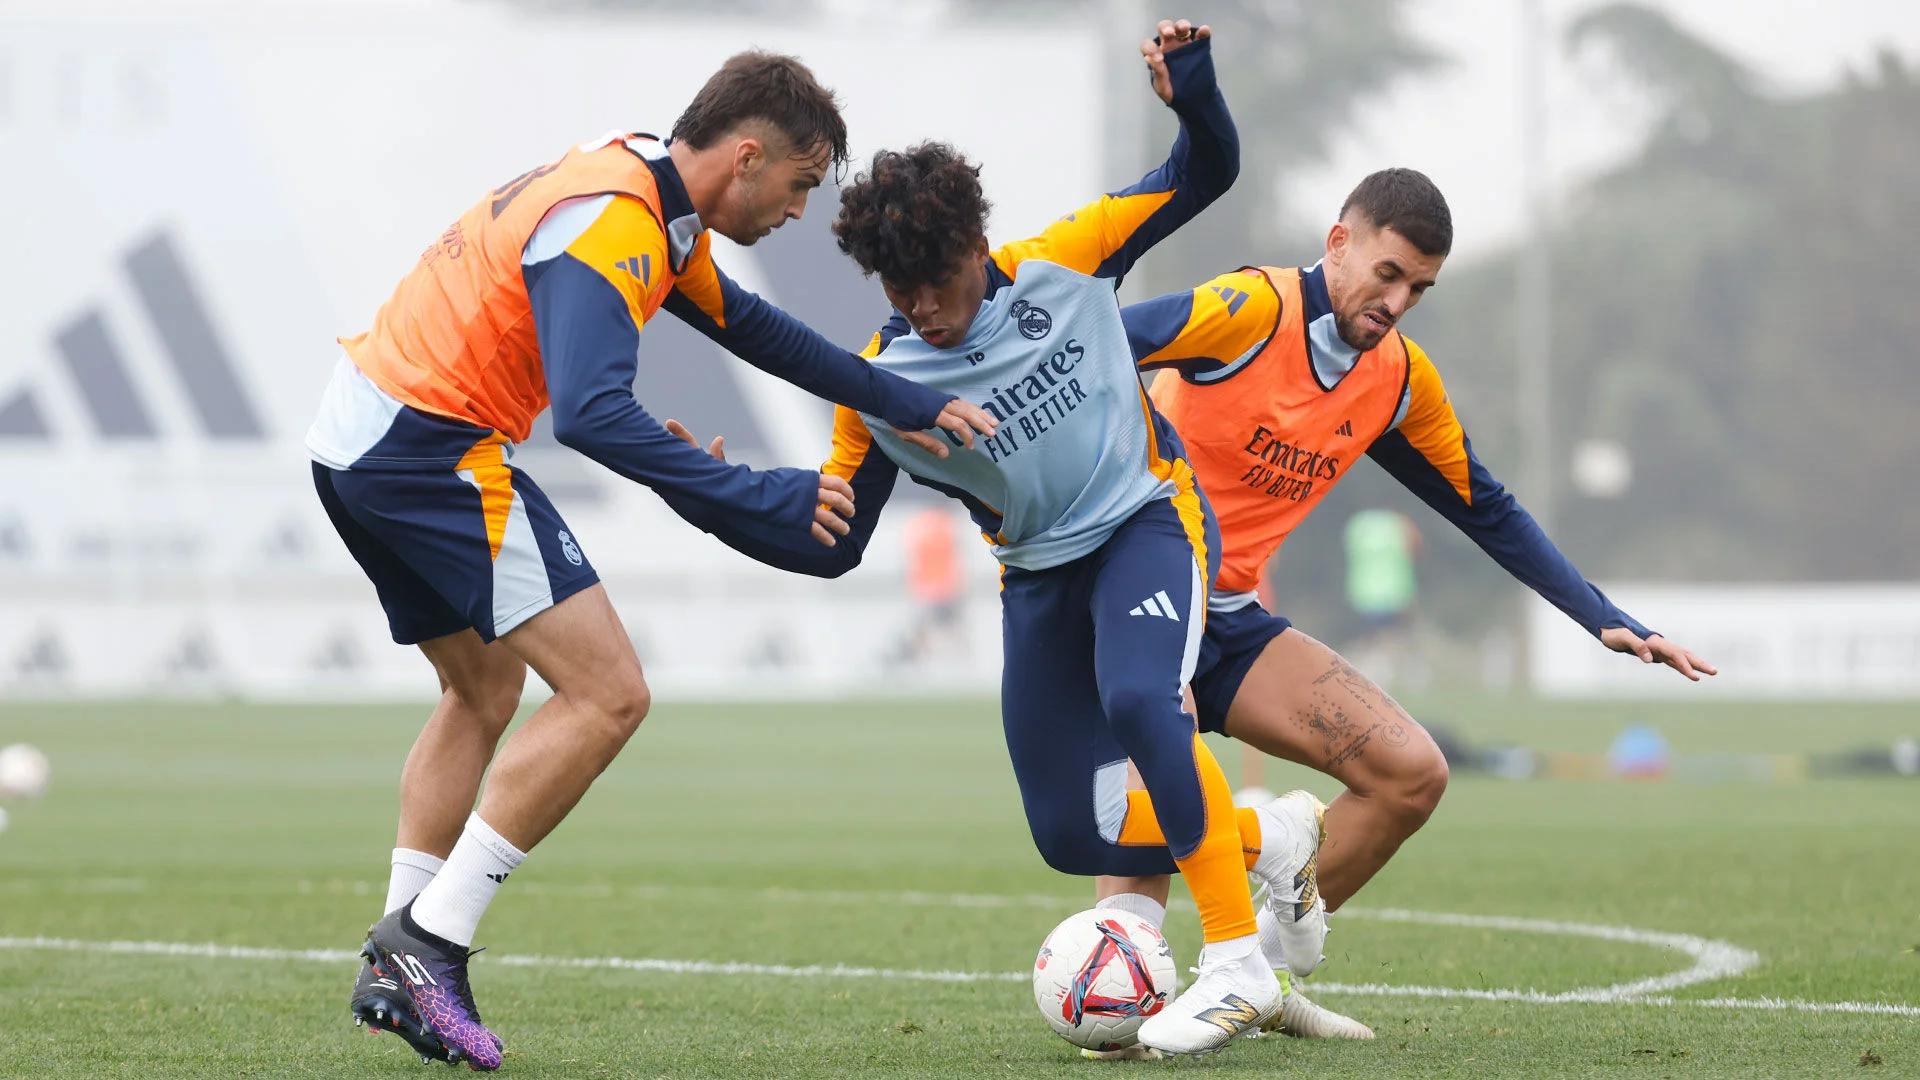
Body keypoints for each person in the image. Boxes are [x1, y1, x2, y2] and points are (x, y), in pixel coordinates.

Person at [307, 51, 994, 1070]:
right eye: (802, 184)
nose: (801, 210)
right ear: (748, 156)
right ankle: (425, 944)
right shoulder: (621, 217)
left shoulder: (640, 182)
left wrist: (905, 398)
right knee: (609, 694)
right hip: (425, 449)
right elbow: (591, 414)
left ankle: (401, 950)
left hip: (360, 434)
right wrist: (758, 492)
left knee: (481, 690)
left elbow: (755, 329)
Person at [662, 19, 1319, 1057]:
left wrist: (1190, 91)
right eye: (899, 291)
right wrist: (710, 491)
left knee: (1145, 703)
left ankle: (1236, 965)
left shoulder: (1063, 262)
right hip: (1038, 576)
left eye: (939, 283)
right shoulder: (879, 387)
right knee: (1072, 834)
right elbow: (832, 543)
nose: (923, 311)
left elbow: (1207, 169)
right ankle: (1268, 834)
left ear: (979, 251)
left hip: (1146, 522)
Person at [1090, 167, 1716, 1025]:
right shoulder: (1246, 311)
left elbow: (1482, 503)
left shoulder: (1395, 380)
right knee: (1134, 860)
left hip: (1229, 618)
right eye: (1389, 274)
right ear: (1338, 243)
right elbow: (1100, 343)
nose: (1398, 301)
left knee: (1411, 775)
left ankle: (1259, 985)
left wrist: (1604, 617)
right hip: (1141, 605)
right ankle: (1139, 980)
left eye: (1419, 288)